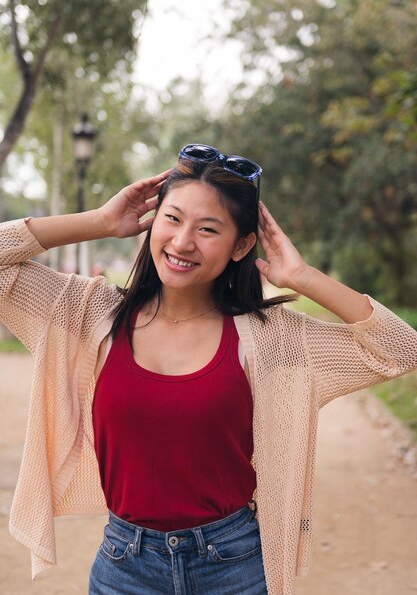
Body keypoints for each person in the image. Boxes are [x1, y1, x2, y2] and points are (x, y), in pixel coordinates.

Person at [1, 143, 417, 595]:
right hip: (125, 566)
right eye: (173, 219)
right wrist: (98, 222)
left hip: (233, 565)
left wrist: (301, 276)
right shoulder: (91, 314)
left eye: (208, 229)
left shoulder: (270, 337)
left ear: (241, 246)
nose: (183, 242)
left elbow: (400, 348)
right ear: (152, 222)